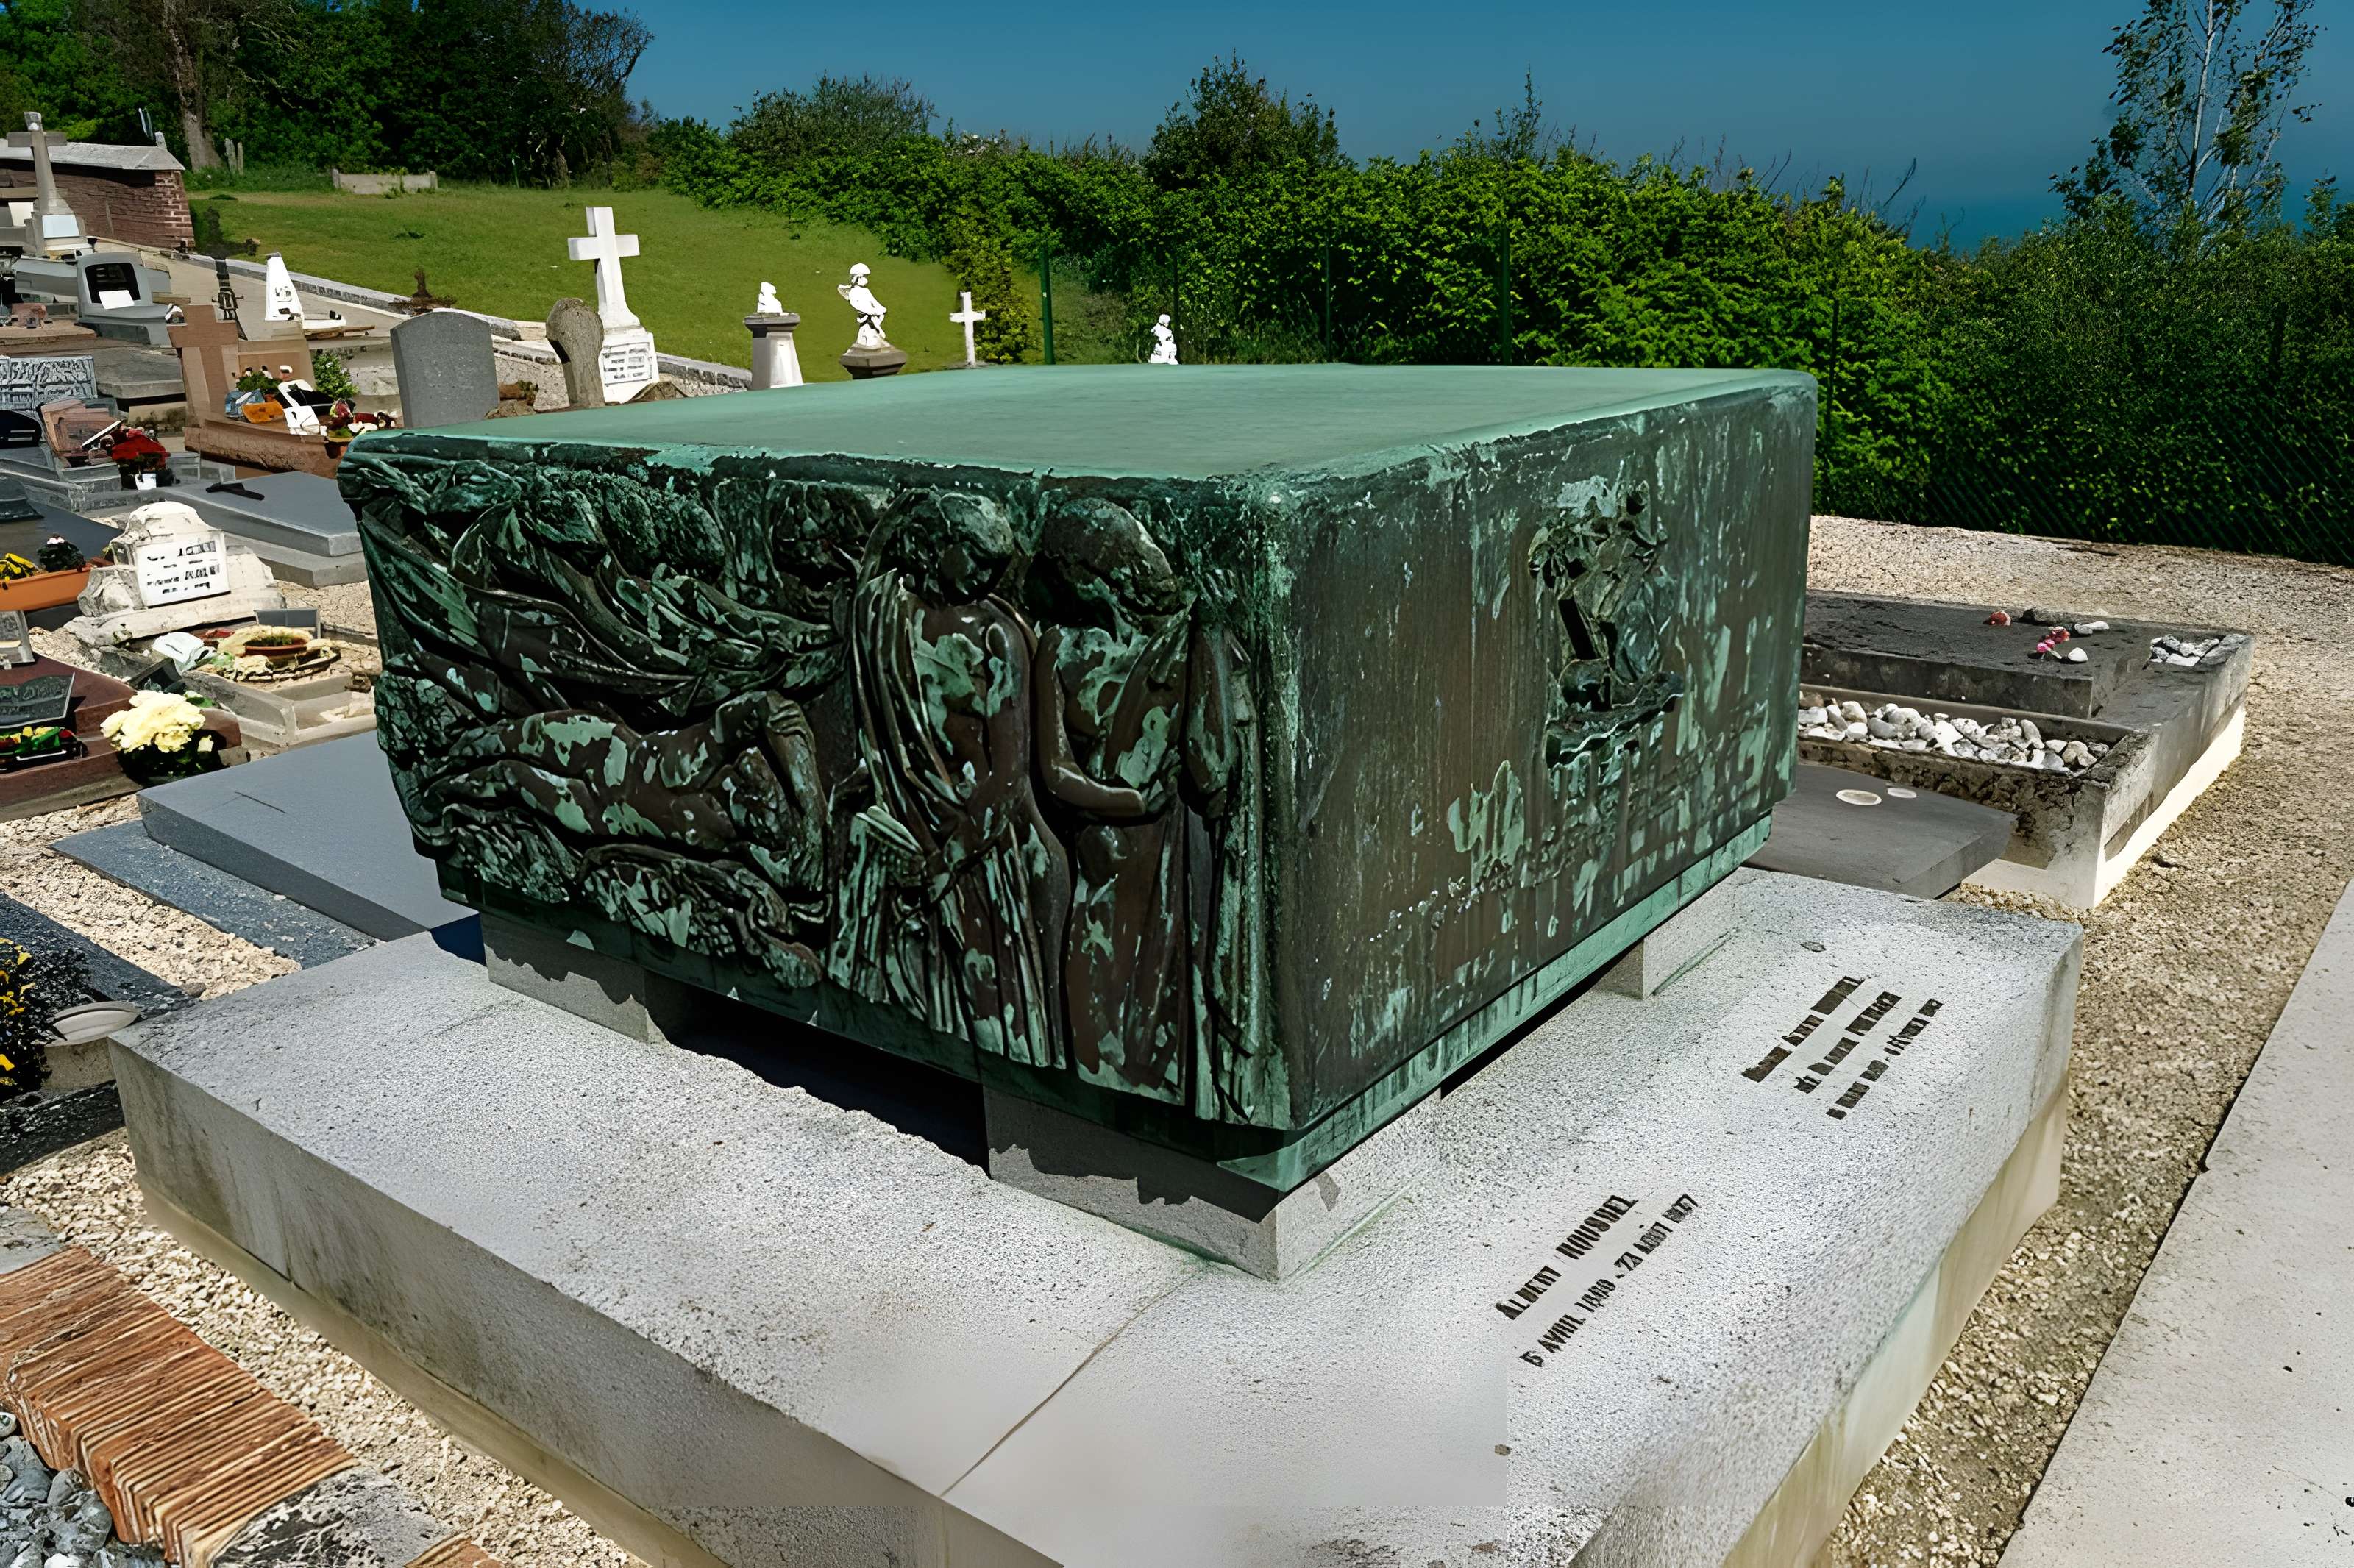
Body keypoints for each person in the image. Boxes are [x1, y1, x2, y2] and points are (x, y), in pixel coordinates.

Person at [829, 490, 1068, 1066]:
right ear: (940, 545)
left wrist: (946, 861)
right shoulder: (884, 612)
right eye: (976, 559)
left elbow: (1009, 778)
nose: (987, 576)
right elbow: (872, 562)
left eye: (995, 566)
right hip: (904, 825)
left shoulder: (995, 637)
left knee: (991, 1008)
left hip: (983, 846)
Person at [837, 263, 889, 351]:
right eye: (864, 277)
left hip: (872, 317)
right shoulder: (854, 292)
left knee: (874, 334)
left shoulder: (866, 291)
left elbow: (874, 301)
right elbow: (856, 304)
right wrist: (871, 311)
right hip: (865, 318)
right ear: (858, 278)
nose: (866, 279)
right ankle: (868, 349)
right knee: (867, 334)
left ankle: (871, 348)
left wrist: (881, 309)